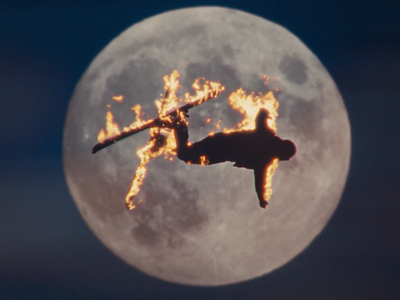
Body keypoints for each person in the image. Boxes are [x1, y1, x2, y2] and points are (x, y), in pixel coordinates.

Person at [159, 108, 296, 208]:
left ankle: (175, 126)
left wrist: (264, 113)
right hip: (220, 150)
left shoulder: (266, 142)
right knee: (186, 154)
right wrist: (261, 198)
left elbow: (260, 180)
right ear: (282, 151)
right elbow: (259, 179)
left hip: (220, 145)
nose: (283, 159)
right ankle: (178, 121)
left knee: (187, 153)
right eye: (285, 157)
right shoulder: (265, 152)